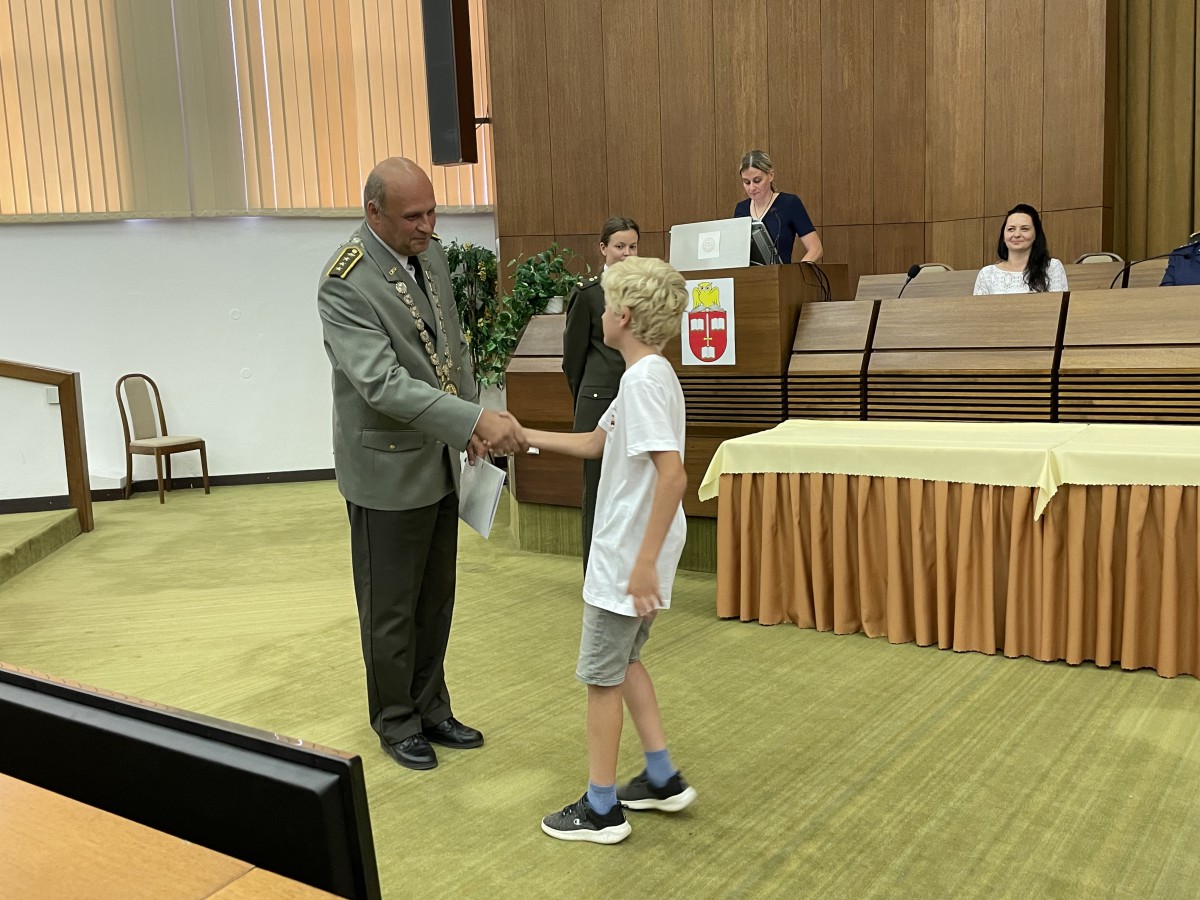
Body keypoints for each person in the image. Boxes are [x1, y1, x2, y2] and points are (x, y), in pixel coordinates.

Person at [317, 157, 528, 771]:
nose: (428, 225)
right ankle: (396, 720)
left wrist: (467, 423)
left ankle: (432, 707)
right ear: (373, 212)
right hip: (384, 471)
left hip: (437, 458)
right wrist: (470, 420)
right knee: (390, 608)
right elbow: (381, 383)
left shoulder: (427, 253)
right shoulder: (345, 281)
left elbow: (451, 347)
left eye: (433, 212)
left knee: (435, 599)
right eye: (413, 215)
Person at [531, 256, 697, 845]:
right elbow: (595, 443)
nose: (599, 314)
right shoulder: (648, 375)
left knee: (602, 677)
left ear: (623, 317)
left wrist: (643, 563)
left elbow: (673, 475)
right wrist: (523, 435)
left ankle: (601, 808)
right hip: (635, 550)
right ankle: (661, 777)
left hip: (628, 554)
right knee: (625, 663)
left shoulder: (642, 381)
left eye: (606, 305)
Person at [561, 216, 639, 571]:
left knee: (632, 488)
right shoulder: (589, 294)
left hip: (635, 398)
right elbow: (573, 360)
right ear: (603, 248)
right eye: (620, 246)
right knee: (597, 491)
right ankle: (595, 575)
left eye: (633, 247)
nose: (626, 253)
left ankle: (627, 570)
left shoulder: (643, 290)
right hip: (598, 401)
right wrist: (586, 398)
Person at [733, 149, 822, 264]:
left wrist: (797, 272)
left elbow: (816, 249)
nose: (752, 188)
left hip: (781, 274)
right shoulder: (740, 209)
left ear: (771, 175)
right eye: (746, 182)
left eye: (757, 181)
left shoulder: (789, 204)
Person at [973, 203, 1069, 295]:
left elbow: (1058, 304)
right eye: (1011, 229)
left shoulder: (1052, 267)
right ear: (1003, 236)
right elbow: (978, 307)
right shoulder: (987, 274)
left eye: (1024, 229)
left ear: (1036, 234)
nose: (1017, 235)